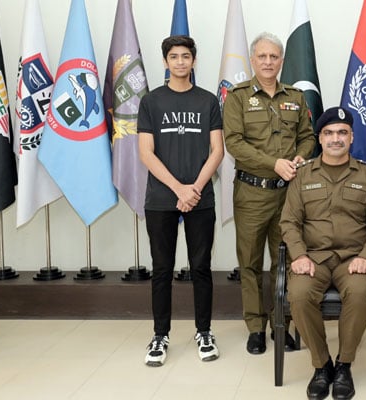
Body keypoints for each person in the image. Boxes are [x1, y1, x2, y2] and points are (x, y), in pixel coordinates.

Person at [281, 107, 366, 400]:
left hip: (352, 260)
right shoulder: (302, 176)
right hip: (313, 259)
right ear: (320, 138)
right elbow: (289, 222)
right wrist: (299, 256)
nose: (336, 139)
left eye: (342, 132)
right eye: (329, 133)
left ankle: (344, 365)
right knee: (300, 295)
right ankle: (322, 365)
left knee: (357, 293)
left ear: (352, 136)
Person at [223, 32, 315, 355]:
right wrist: (273, 163)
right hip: (252, 192)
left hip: (287, 195)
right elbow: (233, 143)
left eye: (273, 57)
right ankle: (255, 327)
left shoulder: (296, 97)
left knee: (284, 261)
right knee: (249, 262)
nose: (268, 62)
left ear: (281, 61)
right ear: (252, 59)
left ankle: (281, 324)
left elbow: (308, 136)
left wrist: (301, 156)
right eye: (262, 56)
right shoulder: (237, 97)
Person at [138, 35, 224, 366]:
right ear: (165, 61)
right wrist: (179, 189)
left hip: (200, 199)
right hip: (161, 199)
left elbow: (217, 150)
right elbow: (146, 153)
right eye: (173, 57)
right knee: (162, 269)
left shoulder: (207, 101)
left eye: (185, 56)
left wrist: (195, 189)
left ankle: (204, 331)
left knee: (201, 267)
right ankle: (160, 335)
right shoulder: (151, 102)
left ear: (194, 61)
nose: (180, 62)